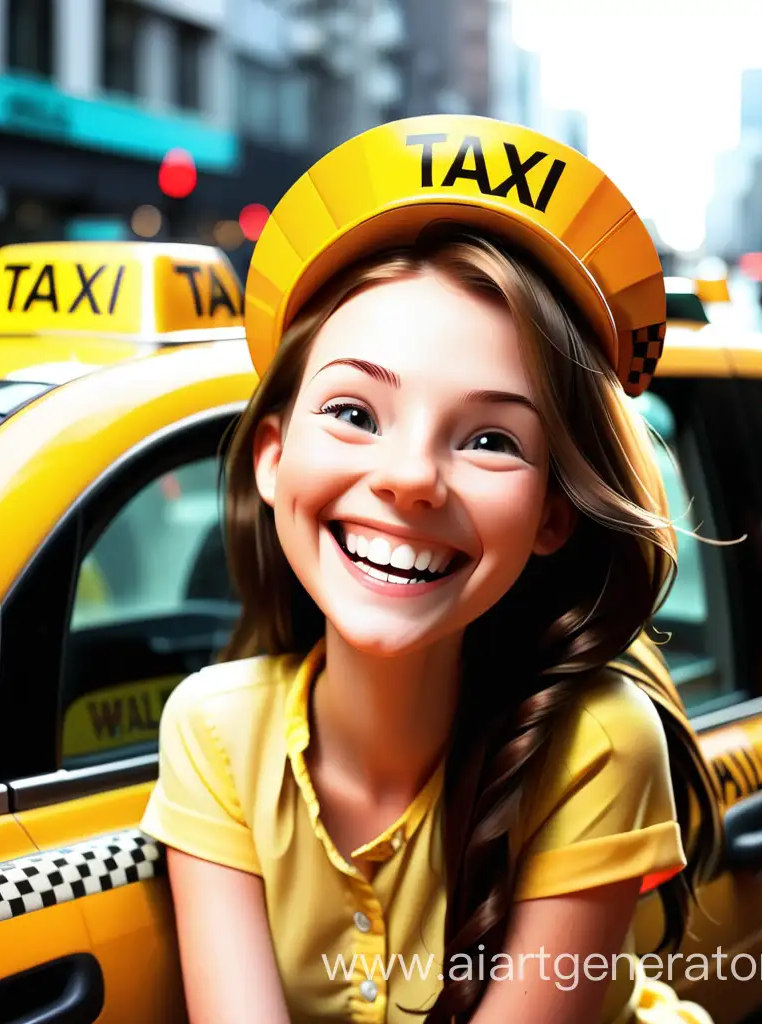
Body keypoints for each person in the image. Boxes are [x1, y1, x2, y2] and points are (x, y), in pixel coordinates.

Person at [140, 114, 724, 1024]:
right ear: (270, 457)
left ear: (552, 517)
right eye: (354, 412)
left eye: (491, 438)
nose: (410, 478)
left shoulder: (599, 743)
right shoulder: (213, 731)